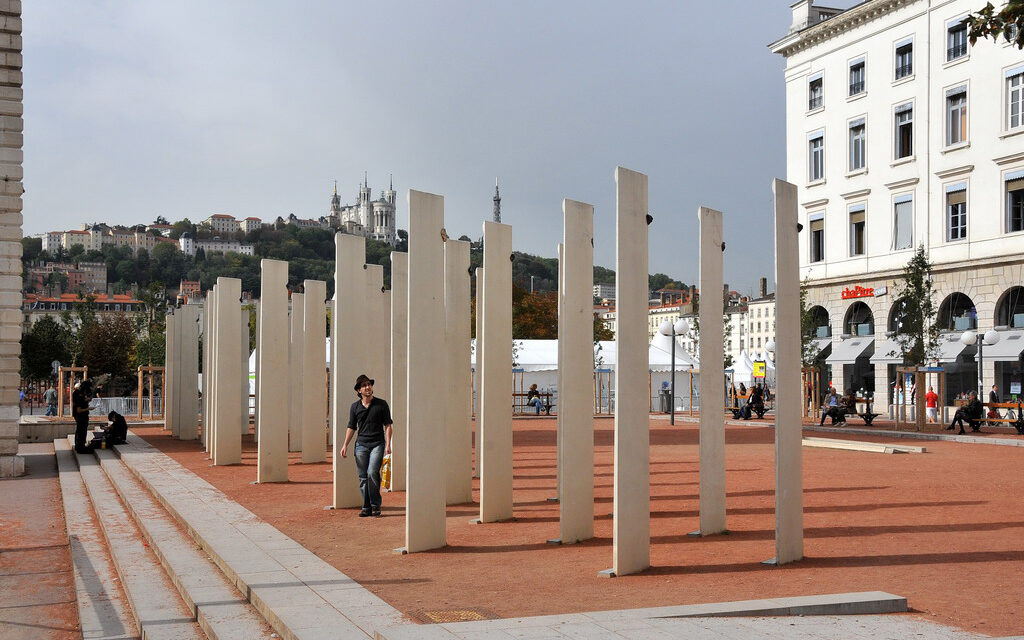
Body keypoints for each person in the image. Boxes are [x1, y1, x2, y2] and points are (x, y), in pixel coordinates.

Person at [340, 374, 393, 518]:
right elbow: (351, 427)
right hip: (361, 445)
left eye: (369, 384)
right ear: (359, 390)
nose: (367, 387)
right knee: (363, 477)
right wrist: (345, 444)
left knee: (372, 473)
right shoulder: (355, 407)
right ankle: (366, 507)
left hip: (377, 443)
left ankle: (376, 505)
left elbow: (388, 425)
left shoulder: (381, 404)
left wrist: (388, 444)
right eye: (364, 385)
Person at [71, 380, 93, 453]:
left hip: (78, 416)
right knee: (82, 431)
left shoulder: (77, 393)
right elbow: (79, 410)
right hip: (81, 416)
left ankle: (78, 446)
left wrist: (87, 400)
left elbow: (82, 401)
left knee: (79, 430)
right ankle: (80, 447)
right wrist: (88, 408)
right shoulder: (79, 395)